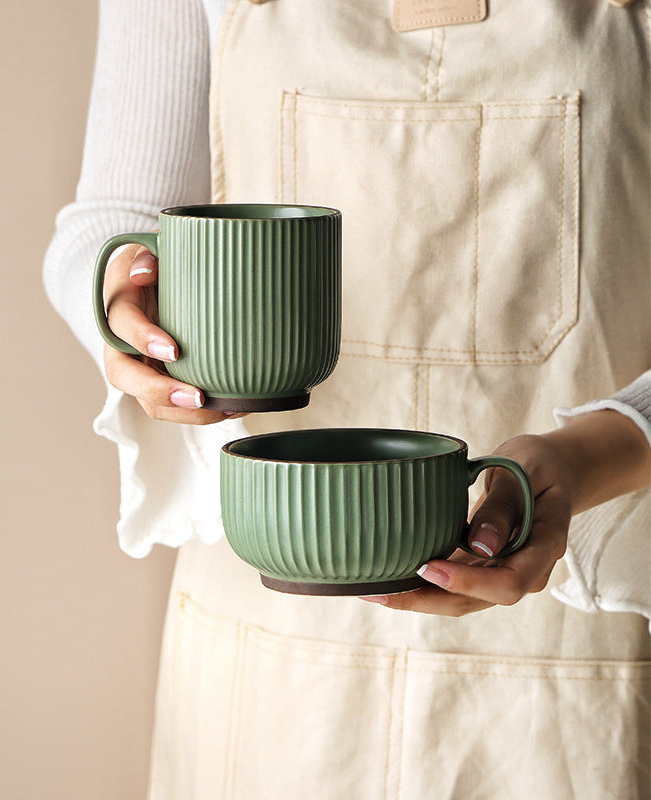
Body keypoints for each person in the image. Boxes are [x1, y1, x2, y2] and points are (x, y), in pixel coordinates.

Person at [44, 0, 651, 797]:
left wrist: (592, 452)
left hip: (577, 646)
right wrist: (125, 310)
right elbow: (116, 219)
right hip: (266, 659)